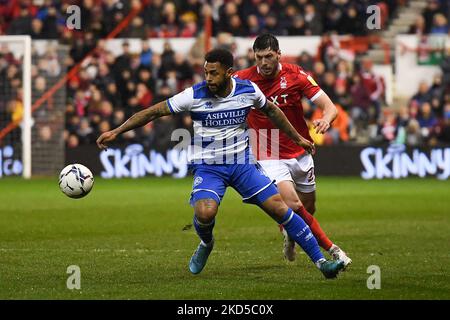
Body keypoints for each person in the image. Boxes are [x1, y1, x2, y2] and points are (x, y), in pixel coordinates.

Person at [97, 48, 345, 279]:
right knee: (205, 212)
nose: (208, 78)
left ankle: (322, 263)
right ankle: (206, 243)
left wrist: (299, 138)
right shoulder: (194, 95)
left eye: (213, 73)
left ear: (228, 72)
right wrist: (117, 131)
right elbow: (152, 112)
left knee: (281, 208)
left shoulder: (247, 90)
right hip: (209, 167)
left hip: (242, 165)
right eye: (205, 72)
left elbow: (273, 112)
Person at [234, 34, 351, 267]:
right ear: (253, 56)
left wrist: (326, 119)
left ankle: (290, 233)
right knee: (293, 205)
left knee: (309, 207)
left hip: (300, 150)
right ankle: (331, 250)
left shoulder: (296, 75)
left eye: (269, 56)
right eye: (259, 57)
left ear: (279, 54)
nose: (264, 62)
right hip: (267, 153)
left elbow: (329, 107)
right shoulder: (242, 80)